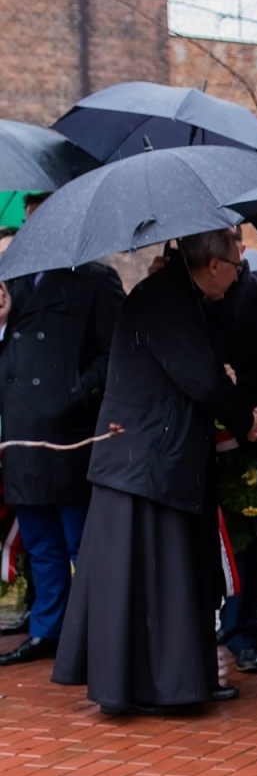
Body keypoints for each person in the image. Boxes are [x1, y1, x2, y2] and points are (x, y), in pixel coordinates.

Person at [54, 229, 257, 715]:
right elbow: (202, 379)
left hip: (150, 459)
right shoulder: (167, 300)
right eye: (236, 265)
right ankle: (159, 688)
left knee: (162, 578)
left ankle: (165, 683)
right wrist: (246, 417)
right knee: (154, 579)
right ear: (213, 265)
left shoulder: (173, 294)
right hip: (147, 462)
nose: (238, 277)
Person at [0, 196, 124, 666]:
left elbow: (114, 351)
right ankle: (48, 630)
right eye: (30, 218)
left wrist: (74, 392)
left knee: (81, 543)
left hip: (70, 435)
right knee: (41, 544)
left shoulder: (95, 280)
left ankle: (98, 633)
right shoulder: (11, 283)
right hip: (22, 434)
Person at [211, 258, 257, 676]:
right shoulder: (187, 298)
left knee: (247, 538)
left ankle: (243, 632)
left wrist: (237, 384)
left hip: (248, 438)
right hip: (197, 441)